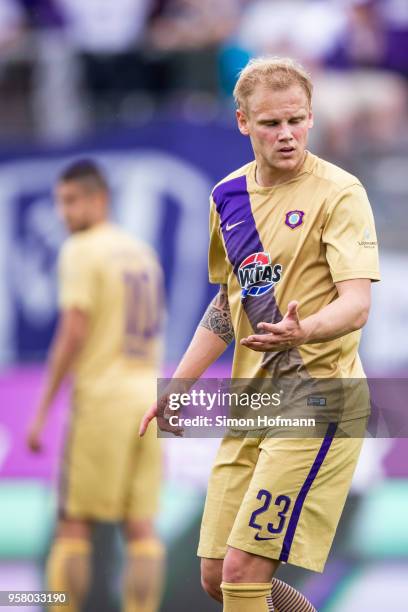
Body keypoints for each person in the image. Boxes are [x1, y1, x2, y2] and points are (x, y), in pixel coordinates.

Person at [140, 56, 380, 612]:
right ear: (243, 122)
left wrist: (303, 331)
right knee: (216, 574)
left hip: (317, 397)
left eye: (297, 120)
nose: (287, 134)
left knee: (246, 570)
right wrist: (178, 385)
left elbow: (357, 305)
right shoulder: (227, 197)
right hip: (253, 404)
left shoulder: (340, 193)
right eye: (271, 123)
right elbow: (228, 305)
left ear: (312, 117)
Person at [26, 160, 165, 612]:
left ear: (98, 200)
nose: (64, 212)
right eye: (60, 203)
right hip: (152, 399)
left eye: (71, 201)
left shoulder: (82, 250)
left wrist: (44, 408)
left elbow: (74, 330)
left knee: (73, 522)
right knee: (141, 527)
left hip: (104, 399)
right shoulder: (142, 252)